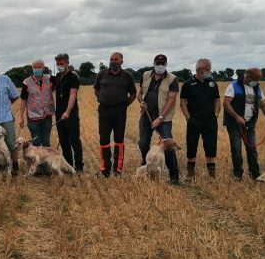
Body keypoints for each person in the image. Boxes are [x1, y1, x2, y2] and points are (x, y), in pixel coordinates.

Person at [223, 68, 265, 181]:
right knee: (236, 148)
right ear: (247, 77)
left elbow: (263, 105)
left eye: (258, 80)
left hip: (250, 124)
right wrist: (237, 117)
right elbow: (226, 103)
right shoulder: (233, 86)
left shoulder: (257, 88)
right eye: (254, 80)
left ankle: (255, 175)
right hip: (234, 124)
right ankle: (238, 175)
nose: (256, 82)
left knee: (252, 149)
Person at [137, 54, 180, 185]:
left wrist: (160, 118)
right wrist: (141, 102)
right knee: (143, 144)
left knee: (169, 146)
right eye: (158, 63)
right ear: (154, 63)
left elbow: (171, 100)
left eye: (162, 64)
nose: (160, 66)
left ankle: (174, 176)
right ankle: (147, 168)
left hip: (164, 118)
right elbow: (140, 94)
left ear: (166, 65)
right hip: (146, 116)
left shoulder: (172, 79)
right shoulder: (145, 75)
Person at [93, 52, 136, 178]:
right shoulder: (102, 74)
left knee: (119, 141)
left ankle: (117, 170)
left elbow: (133, 94)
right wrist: (101, 98)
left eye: (116, 59)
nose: (113, 61)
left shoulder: (128, 76)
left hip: (120, 113)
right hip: (104, 111)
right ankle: (104, 170)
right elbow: (96, 89)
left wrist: (124, 105)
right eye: (111, 59)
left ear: (121, 62)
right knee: (104, 141)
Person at [180, 58, 220, 180]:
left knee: (211, 146)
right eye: (208, 69)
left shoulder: (212, 83)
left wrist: (216, 114)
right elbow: (182, 102)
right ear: (200, 70)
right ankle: (190, 174)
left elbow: (217, 100)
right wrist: (188, 118)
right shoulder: (188, 84)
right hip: (194, 120)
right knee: (192, 146)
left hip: (210, 120)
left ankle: (212, 175)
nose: (210, 71)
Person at [53, 53, 84, 173]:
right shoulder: (57, 76)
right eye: (57, 64)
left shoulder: (73, 77)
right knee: (64, 141)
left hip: (70, 114)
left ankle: (79, 167)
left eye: (61, 63)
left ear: (67, 63)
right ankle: (68, 166)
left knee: (75, 141)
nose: (59, 66)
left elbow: (72, 95)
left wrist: (67, 112)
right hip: (59, 114)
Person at [19, 59, 55, 147]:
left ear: (43, 68)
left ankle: (46, 160)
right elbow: (23, 100)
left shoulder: (50, 79)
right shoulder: (26, 82)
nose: (37, 69)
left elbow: (62, 83)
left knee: (46, 142)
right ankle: (37, 161)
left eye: (39, 67)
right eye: (35, 67)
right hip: (33, 118)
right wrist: (21, 117)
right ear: (32, 68)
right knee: (36, 142)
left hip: (47, 116)